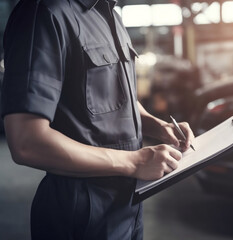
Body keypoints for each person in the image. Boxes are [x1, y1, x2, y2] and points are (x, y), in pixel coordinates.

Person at [1, 0, 195, 239]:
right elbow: (26, 141)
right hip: (81, 211)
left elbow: (118, 94)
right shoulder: (43, 13)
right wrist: (134, 162)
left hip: (127, 206)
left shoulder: (111, 15)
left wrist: (158, 125)